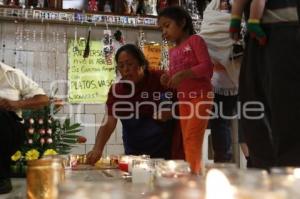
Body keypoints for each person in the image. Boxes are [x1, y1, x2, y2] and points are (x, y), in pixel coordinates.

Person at [86, 44, 180, 165]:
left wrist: (171, 112)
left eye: (130, 64)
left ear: (142, 64)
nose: (126, 69)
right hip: (134, 153)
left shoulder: (160, 79)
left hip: (166, 152)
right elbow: (109, 122)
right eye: (121, 66)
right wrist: (97, 149)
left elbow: (185, 105)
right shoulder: (117, 91)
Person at [237, 0, 300, 168]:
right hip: (261, 37)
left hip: (284, 30)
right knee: (255, 113)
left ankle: (285, 182)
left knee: (286, 117)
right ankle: (270, 181)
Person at [158, 6, 213, 174]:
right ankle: (194, 173)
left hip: (201, 96)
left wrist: (184, 74)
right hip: (184, 99)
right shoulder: (173, 50)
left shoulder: (196, 40)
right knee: (187, 139)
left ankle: (194, 176)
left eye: (167, 26)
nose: (164, 32)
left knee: (192, 138)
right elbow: (176, 74)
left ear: (182, 22)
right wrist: (167, 76)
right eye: (161, 28)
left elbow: (207, 68)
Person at [200, 0, 242, 163]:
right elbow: (204, 43)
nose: (227, 4)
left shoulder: (239, 19)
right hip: (214, 81)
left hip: (233, 80)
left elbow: (239, 46)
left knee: (223, 122)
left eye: (229, 2)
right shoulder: (210, 17)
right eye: (224, 1)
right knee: (219, 123)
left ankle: (226, 159)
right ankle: (223, 159)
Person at [0, 62, 49, 194]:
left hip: (9, 129)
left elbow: (43, 99)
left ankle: (2, 177)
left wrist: (16, 103)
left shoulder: (11, 74)